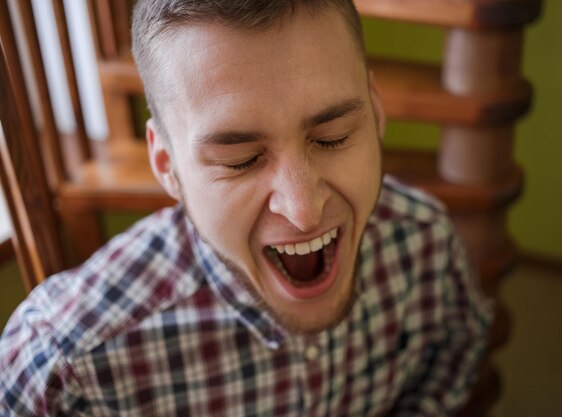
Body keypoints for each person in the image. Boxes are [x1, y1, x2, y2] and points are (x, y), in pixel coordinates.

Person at [0, 1, 492, 416]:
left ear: (376, 112)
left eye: (333, 137)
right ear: (166, 165)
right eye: (240, 160)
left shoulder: (426, 244)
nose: (304, 210)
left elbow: (454, 358)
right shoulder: (66, 372)